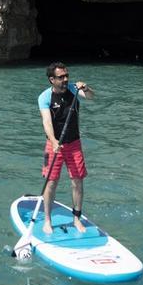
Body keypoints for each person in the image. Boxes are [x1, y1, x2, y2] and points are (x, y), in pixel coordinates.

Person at [37, 62, 95, 234]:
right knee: (51, 182)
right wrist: (54, 141)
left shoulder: (74, 90)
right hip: (53, 145)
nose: (65, 79)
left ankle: (76, 218)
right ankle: (47, 220)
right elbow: (46, 121)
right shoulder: (44, 97)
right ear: (51, 79)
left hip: (74, 144)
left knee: (77, 181)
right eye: (61, 77)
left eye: (66, 75)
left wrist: (87, 87)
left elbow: (91, 96)